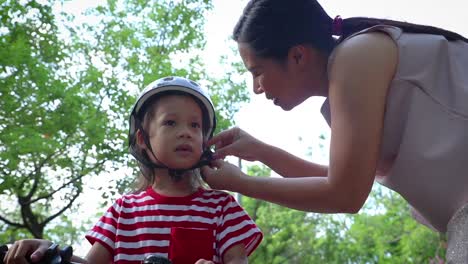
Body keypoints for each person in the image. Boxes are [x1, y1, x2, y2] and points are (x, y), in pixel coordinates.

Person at [200, 0, 468, 262]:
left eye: (256, 71)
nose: (256, 87)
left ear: (297, 56)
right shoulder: (355, 68)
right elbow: (342, 180)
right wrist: (261, 152)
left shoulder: (357, 57)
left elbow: (345, 194)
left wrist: (240, 183)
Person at [3, 76, 263, 264]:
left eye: (195, 125)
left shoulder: (223, 208)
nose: (186, 132)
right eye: (170, 122)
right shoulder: (122, 211)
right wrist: (52, 254)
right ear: (142, 139)